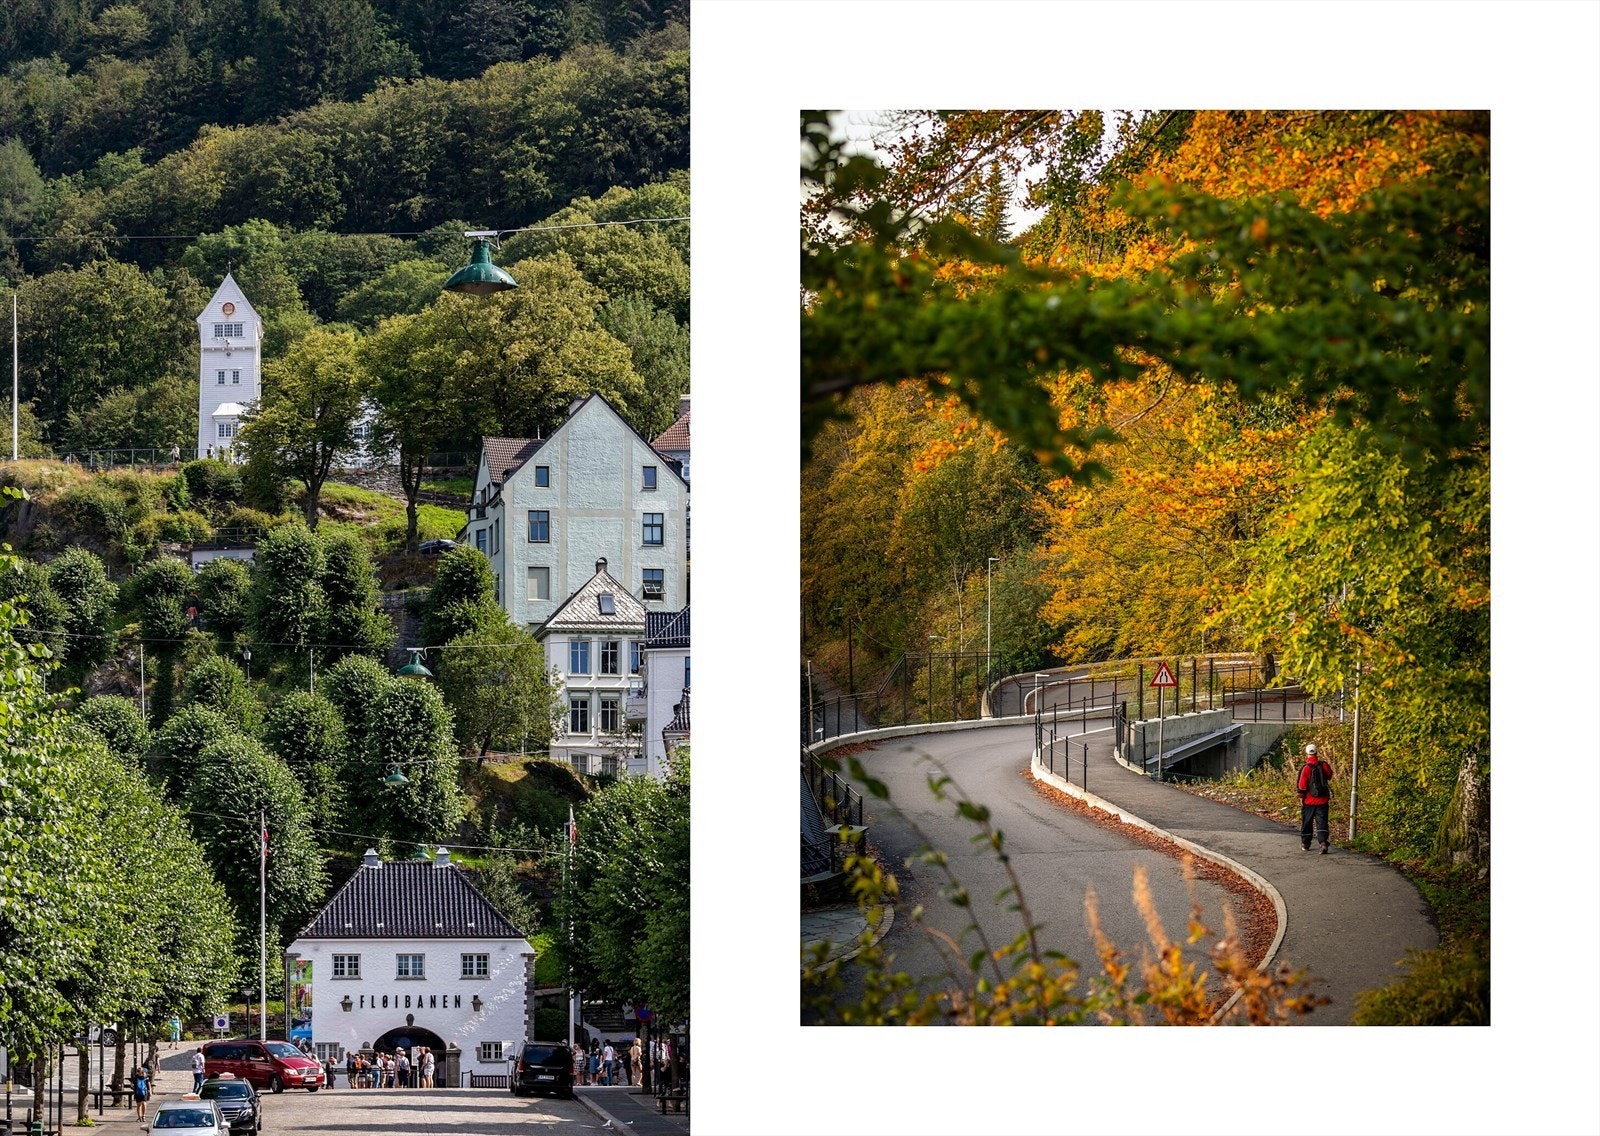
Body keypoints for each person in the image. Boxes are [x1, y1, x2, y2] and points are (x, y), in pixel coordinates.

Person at [1297, 743, 1335, 854]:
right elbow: (1329, 775)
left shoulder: (1306, 768)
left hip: (1309, 801)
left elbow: (1302, 785)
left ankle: (1305, 844)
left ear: (1306, 754)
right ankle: (1323, 843)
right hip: (1323, 800)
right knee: (1322, 822)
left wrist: (1301, 797)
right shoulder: (1323, 765)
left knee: (1307, 822)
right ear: (1317, 753)